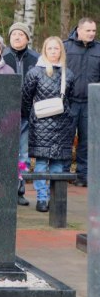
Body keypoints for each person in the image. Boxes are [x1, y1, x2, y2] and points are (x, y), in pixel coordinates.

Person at [21, 37, 76, 212]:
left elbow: (71, 100)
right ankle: (42, 199)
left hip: (62, 126)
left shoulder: (69, 74)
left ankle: (55, 200)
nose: (53, 51)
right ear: (45, 50)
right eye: (50, 48)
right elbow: (26, 99)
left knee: (58, 165)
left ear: (61, 51)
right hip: (40, 126)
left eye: (56, 49)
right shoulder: (35, 72)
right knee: (42, 164)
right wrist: (31, 118)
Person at [3, 22, 40, 206]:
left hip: (26, 115)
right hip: (4, 115)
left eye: (21, 34)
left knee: (23, 156)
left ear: (27, 38)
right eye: (14, 34)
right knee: (5, 153)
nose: (17, 37)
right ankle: (3, 191)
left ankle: (19, 190)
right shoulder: (2, 56)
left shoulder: (36, 58)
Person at [63, 18, 100, 187]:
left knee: (86, 140)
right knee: (65, 138)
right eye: (88, 30)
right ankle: (62, 174)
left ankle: (82, 175)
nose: (92, 33)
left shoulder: (99, 49)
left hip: (91, 103)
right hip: (68, 101)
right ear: (78, 30)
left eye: (94, 30)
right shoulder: (65, 47)